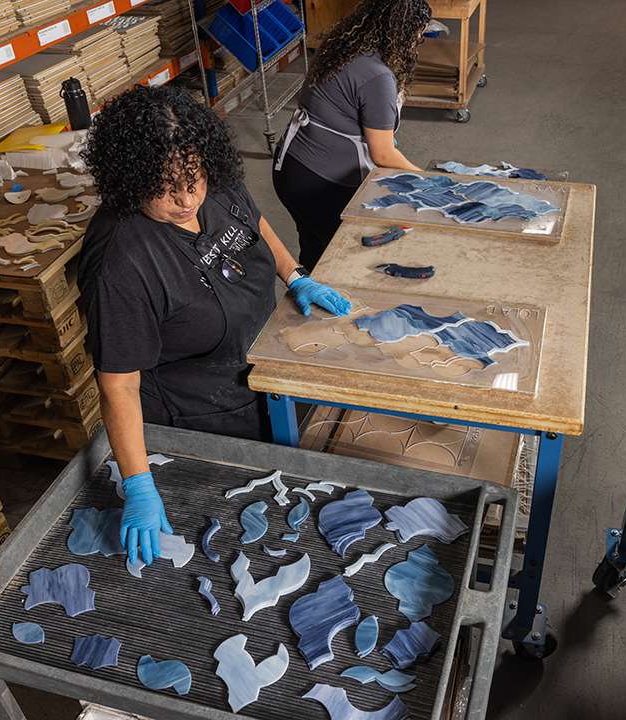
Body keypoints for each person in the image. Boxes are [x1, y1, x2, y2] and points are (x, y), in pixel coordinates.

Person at [78, 85, 350, 565]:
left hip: (259, 371)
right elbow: (118, 386)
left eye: (193, 179)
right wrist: (138, 485)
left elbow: (253, 221)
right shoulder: (122, 263)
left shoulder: (209, 181)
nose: (185, 199)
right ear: (131, 179)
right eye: (163, 188)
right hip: (198, 413)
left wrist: (295, 275)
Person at [272, 0, 431, 269]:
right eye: (418, 35)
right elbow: (383, 153)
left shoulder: (343, 46)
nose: (418, 42)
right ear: (402, 33)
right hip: (319, 182)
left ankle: (311, 291)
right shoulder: (377, 77)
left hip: (291, 167)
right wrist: (429, 180)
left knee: (315, 250)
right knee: (343, 261)